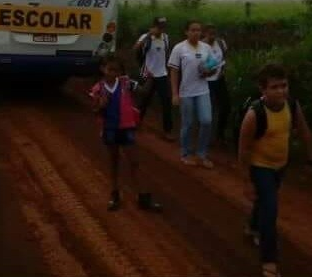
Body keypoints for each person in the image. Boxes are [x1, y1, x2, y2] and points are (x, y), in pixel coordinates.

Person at [238, 63, 312, 277]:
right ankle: (269, 262)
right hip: (260, 167)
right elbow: (243, 150)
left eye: (284, 86)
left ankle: (252, 227)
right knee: (270, 211)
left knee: (264, 203)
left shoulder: (292, 105)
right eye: (274, 87)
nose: (281, 91)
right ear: (263, 90)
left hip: (280, 165)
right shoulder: (254, 115)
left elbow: (304, 131)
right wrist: (247, 181)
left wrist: (311, 160)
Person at [89, 55, 163, 212]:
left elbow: (142, 91)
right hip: (110, 129)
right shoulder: (98, 89)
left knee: (134, 162)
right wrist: (101, 106)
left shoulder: (125, 83)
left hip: (126, 127)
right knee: (114, 161)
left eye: (116, 70)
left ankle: (139, 195)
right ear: (103, 69)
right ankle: (115, 193)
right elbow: (94, 110)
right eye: (110, 69)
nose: (113, 73)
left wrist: (151, 77)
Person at [168, 20, 217, 168]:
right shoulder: (179, 48)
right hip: (186, 92)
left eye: (198, 30)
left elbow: (213, 67)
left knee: (206, 121)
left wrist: (209, 71)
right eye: (193, 30)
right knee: (188, 124)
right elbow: (174, 72)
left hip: (203, 90)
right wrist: (174, 94)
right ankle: (186, 153)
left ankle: (201, 154)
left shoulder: (206, 48)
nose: (196, 33)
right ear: (186, 32)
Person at [133, 16, 174, 141]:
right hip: (147, 73)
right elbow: (135, 49)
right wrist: (147, 36)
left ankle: (167, 131)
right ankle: (135, 122)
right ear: (154, 26)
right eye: (159, 26)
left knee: (167, 102)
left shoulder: (165, 38)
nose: (161, 29)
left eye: (163, 26)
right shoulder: (146, 37)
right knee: (144, 100)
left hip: (162, 74)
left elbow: (166, 53)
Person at [202, 24, 232, 145]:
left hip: (219, 79)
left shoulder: (220, 43)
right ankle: (205, 135)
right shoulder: (201, 46)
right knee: (207, 109)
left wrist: (223, 71)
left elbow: (225, 58)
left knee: (226, 106)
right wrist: (206, 72)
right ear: (204, 33)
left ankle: (220, 133)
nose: (212, 36)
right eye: (210, 33)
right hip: (206, 82)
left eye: (214, 33)